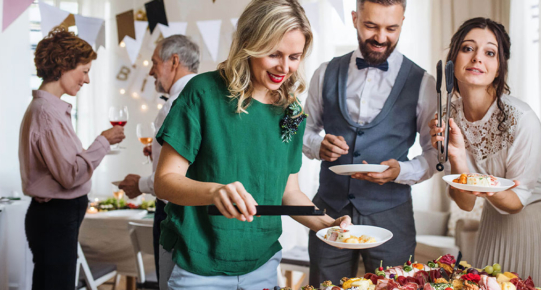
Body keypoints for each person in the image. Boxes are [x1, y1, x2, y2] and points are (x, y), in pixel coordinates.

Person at [153, 0, 351, 288]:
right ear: (249, 44)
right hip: (196, 264)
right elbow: (165, 181)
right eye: (274, 54)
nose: (285, 67)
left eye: (294, 56)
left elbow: (289, 193)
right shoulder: (202, 93)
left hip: (262, 264)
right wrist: (215, 191)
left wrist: (330, 226)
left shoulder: (292, 112)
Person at [429, 17, 541, 290]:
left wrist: (481, 184)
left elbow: (516, 201)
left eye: (490, 52)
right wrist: (456, 157)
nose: (478, 58)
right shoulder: (447, 115)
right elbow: (466, 204)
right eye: (468, 48)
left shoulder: (521, 118)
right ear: (452, 59)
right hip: (494, 222)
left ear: (499, 68)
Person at [302, 0, 439, 284]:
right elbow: (301, 130)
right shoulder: (324, 72)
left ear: (403, 22)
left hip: (391, 217)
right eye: (371, 26)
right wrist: (318, 146)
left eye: (391, 28)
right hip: (329, 211)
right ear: (354, 19)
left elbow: (434, 155)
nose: (380, 37)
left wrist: (401, 171)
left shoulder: (424, 82)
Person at [19, 27, 126, 289]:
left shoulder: (50, 110)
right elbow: (70, 175)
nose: (87, 80)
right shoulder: (46, 113)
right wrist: (103, 140)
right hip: (55, 216)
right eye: (85, 71)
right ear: (64, 65)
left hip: (55, 215)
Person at [116, 34, 200, 289]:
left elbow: (174, 180)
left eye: (154, 62)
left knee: (170, 282)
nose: (151, 71)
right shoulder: (206, 98)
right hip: (198, 213)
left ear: (174, 61)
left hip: (174, 213)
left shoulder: (176, 104)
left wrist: (139, 184)